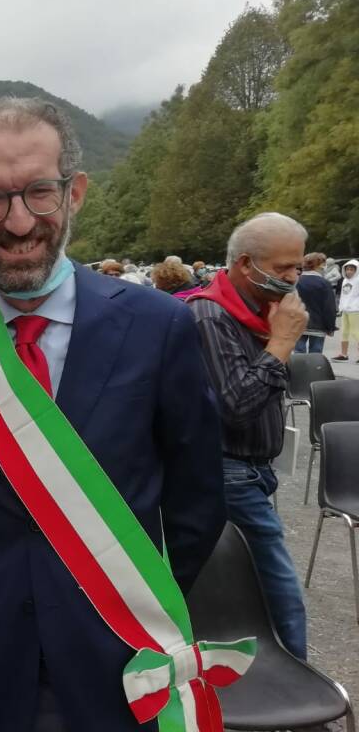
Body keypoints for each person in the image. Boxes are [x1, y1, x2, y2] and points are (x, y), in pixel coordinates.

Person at [0, 97, 226, 730]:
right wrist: (5, 588)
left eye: (39, 192)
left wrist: (134, 596)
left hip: (124, 644)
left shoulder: (158, 327)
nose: (19, 222)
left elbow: (198, 501)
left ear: (74, 193)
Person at [188, 212, 310, 660]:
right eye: (282, 269)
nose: (294, 277)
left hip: (255, 472)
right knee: (278, 588)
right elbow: (236, 407)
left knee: (252, 580)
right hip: (231, 472)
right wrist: (281, 343)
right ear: (245, 264)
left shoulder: (256, 313)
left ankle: (251, 672)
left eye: (298, 267)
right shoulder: (209, 316)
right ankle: (302, 696)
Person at [296, 252, 337, 354]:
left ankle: (299, 370)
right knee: (316, 355)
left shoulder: (296, 281)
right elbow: (329, 307)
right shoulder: (324, 283)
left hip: (298, 324)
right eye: (323, 264)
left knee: (298, 354)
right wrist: (330, 327)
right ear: (319, 265)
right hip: (318, 325)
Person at [333, 260, 359, 362]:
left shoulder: (358, 280)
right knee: (344, 332)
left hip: (355, 310)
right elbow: (343, 295)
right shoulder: (345, 280)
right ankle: (344, 354)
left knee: (356, 332)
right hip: (345, 310)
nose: (349, 271)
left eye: (352, 269)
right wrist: (340, 307)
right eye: (347, 269)